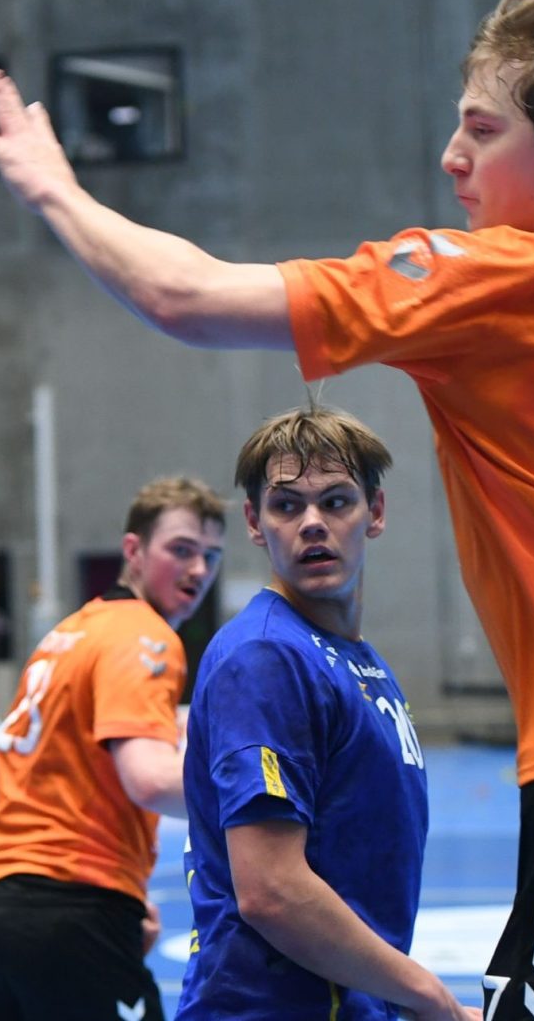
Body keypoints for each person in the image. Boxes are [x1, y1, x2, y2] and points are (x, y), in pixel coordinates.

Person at [0, 0, 534, 1018]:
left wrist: (56, 193)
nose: (453, 157)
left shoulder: (477, 283)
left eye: (482, 130)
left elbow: (184, 296)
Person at [177, 406, 467, 1019]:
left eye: (336, 502)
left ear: (375, 512)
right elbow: (271, 889)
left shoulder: (358, 661)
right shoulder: (265, 656)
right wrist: (429, 996)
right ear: (255, 523)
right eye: (287, 506)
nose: (312, 523)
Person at [0, 477, 226, 1021]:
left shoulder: (67, 636)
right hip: (73, 911)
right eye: (181, 550)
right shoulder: (146, 637)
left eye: (211, 556)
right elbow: (150, 780)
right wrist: (269, 793)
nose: (199, 569)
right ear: (133, 550)